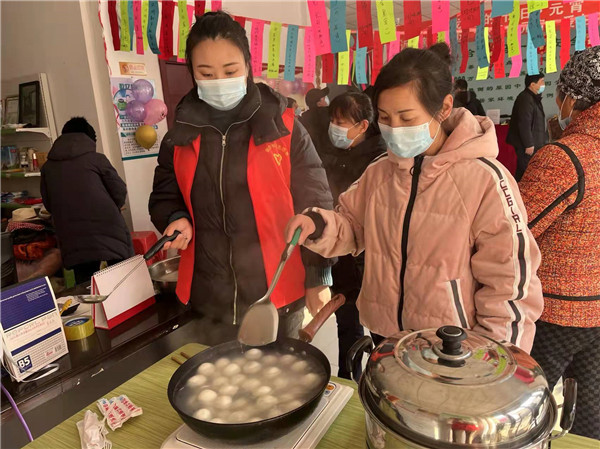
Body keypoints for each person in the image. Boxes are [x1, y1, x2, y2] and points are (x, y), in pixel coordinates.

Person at [285, 43, 544, 353]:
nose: (394, 130)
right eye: (385, 118)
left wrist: (493, 356)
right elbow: (352, 225)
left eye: (407, 119)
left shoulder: (485, 180)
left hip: (454, 347)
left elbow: (509, 283)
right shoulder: (380, 172)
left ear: (444, 108)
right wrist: (319, 225)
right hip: (386, 334)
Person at [148, 12, 333, 345]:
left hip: (276, 296)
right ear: (193, 73)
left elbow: (316, 203)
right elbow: (165, 195)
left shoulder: (284, 126)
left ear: (248, 66)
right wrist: (176, 217)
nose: (219, 80)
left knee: (278, 375)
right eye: (206, 73)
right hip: (207, 300)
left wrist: (318, 275)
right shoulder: (179, 137)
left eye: (230, 70)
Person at [518, 46, 600, 440]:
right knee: (589, 416)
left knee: (519, 408)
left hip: (556, 311)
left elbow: (516, 229)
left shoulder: (567, 156)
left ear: (572, 96)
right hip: (597, 309)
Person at [325, 91, 386, 380]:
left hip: (372, 260)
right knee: (346, 321)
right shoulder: (337, 154)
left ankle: (382, 382)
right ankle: (347, 377)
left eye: (341, 122)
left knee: (381, 330)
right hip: (342, 258)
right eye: (332, 120)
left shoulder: (381, 161)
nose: (334, 127)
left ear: (362, 125)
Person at [41, 117, 133, 284]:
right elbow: (119, 190)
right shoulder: (97, 159)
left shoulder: (48, 167)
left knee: (86, 286)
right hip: (108, 229)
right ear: (89, 138)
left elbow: (48, 203)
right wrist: (114, 206)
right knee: (122, 281)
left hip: (72, 236)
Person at [506, 73, 547, 181]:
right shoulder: (525, 98)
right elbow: (524, 122)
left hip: (534, 144)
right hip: (527, 147)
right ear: (532, 84)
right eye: (541, 81)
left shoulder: (533, 98)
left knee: (526, 173)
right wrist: (528, 144)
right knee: (526, 173)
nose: (543, 84)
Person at [299, 87, 330, 154]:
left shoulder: (304, 118)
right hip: (329, 153)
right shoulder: (328, 114)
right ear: (318, 104)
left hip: (311, 153)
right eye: (324, 98)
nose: (326, 100)